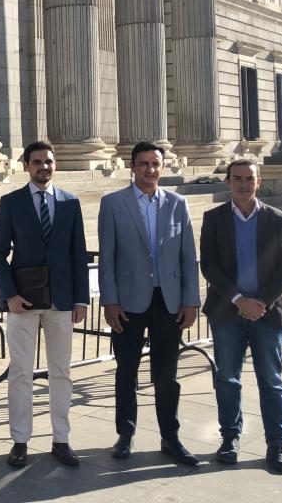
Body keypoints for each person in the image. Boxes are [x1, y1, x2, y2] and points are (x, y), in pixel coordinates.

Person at [98, 141, 200, 466]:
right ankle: (125, 434)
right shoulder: (113, 204)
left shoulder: (177, 203)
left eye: (155, 164)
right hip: (128, 302)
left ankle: (170, 436)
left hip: (168, 302)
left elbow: (188, 257)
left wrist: (191, 300)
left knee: (166, 374)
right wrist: (109, 301)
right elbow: (107, 259)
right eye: (143, 164)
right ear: (132, 166)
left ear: (162, 167)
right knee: (126, 371)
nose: (150, 170)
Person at [0, 141, 88, 468]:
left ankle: (62, 439)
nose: (43, 167)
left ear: (54, 164)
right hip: (23, 301)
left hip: (62, 301)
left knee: (61, 372)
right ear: (26, 166)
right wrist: (9, 294)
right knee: (20, 373)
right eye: (37, 162)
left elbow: (78, 254)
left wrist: (80, 299)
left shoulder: (70, 204)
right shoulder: (11, 203)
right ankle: (20, 440)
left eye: (48, 162)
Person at [200, 159, 282, 473]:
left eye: (249, 178)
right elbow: (210, 266)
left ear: (259, 181)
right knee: (227, 379)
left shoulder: (279, 219)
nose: (243, 184)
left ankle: (277, 445)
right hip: (226, 312)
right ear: (228, 182)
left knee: (272, 381)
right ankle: (229, 439)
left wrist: (260, 303)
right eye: (237, 178)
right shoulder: (213, 219)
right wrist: (240, 300)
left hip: (267, 315)